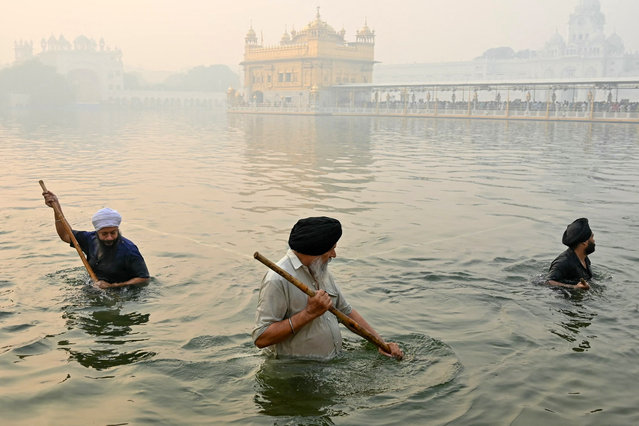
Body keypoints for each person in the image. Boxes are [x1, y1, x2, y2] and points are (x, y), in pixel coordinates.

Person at [252, 216, 403, 359]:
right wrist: (309, 313)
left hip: (329, 366)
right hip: (295, 373)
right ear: (316, 250)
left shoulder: (320, 270)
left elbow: (346, 311)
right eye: (331, 249)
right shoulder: (277, 279)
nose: (334, 254)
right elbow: (261, 338)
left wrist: (381, 343)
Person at [43, 190, 150, 289]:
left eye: (113, 233)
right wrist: (56, 208)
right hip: (94, 286)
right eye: (104, 234)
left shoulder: (129, 250)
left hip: (119, 293)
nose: (109, 237)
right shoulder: (89, 239)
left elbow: (144, 279)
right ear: (97, 232)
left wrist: (113, 286)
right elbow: (66, 235)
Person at [546, 218, 595, 290]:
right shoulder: (563, 262)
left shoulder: (584, 258)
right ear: (584, 242)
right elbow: (548, 282)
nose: (594, 240)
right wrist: (574, 287)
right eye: (592, 237)